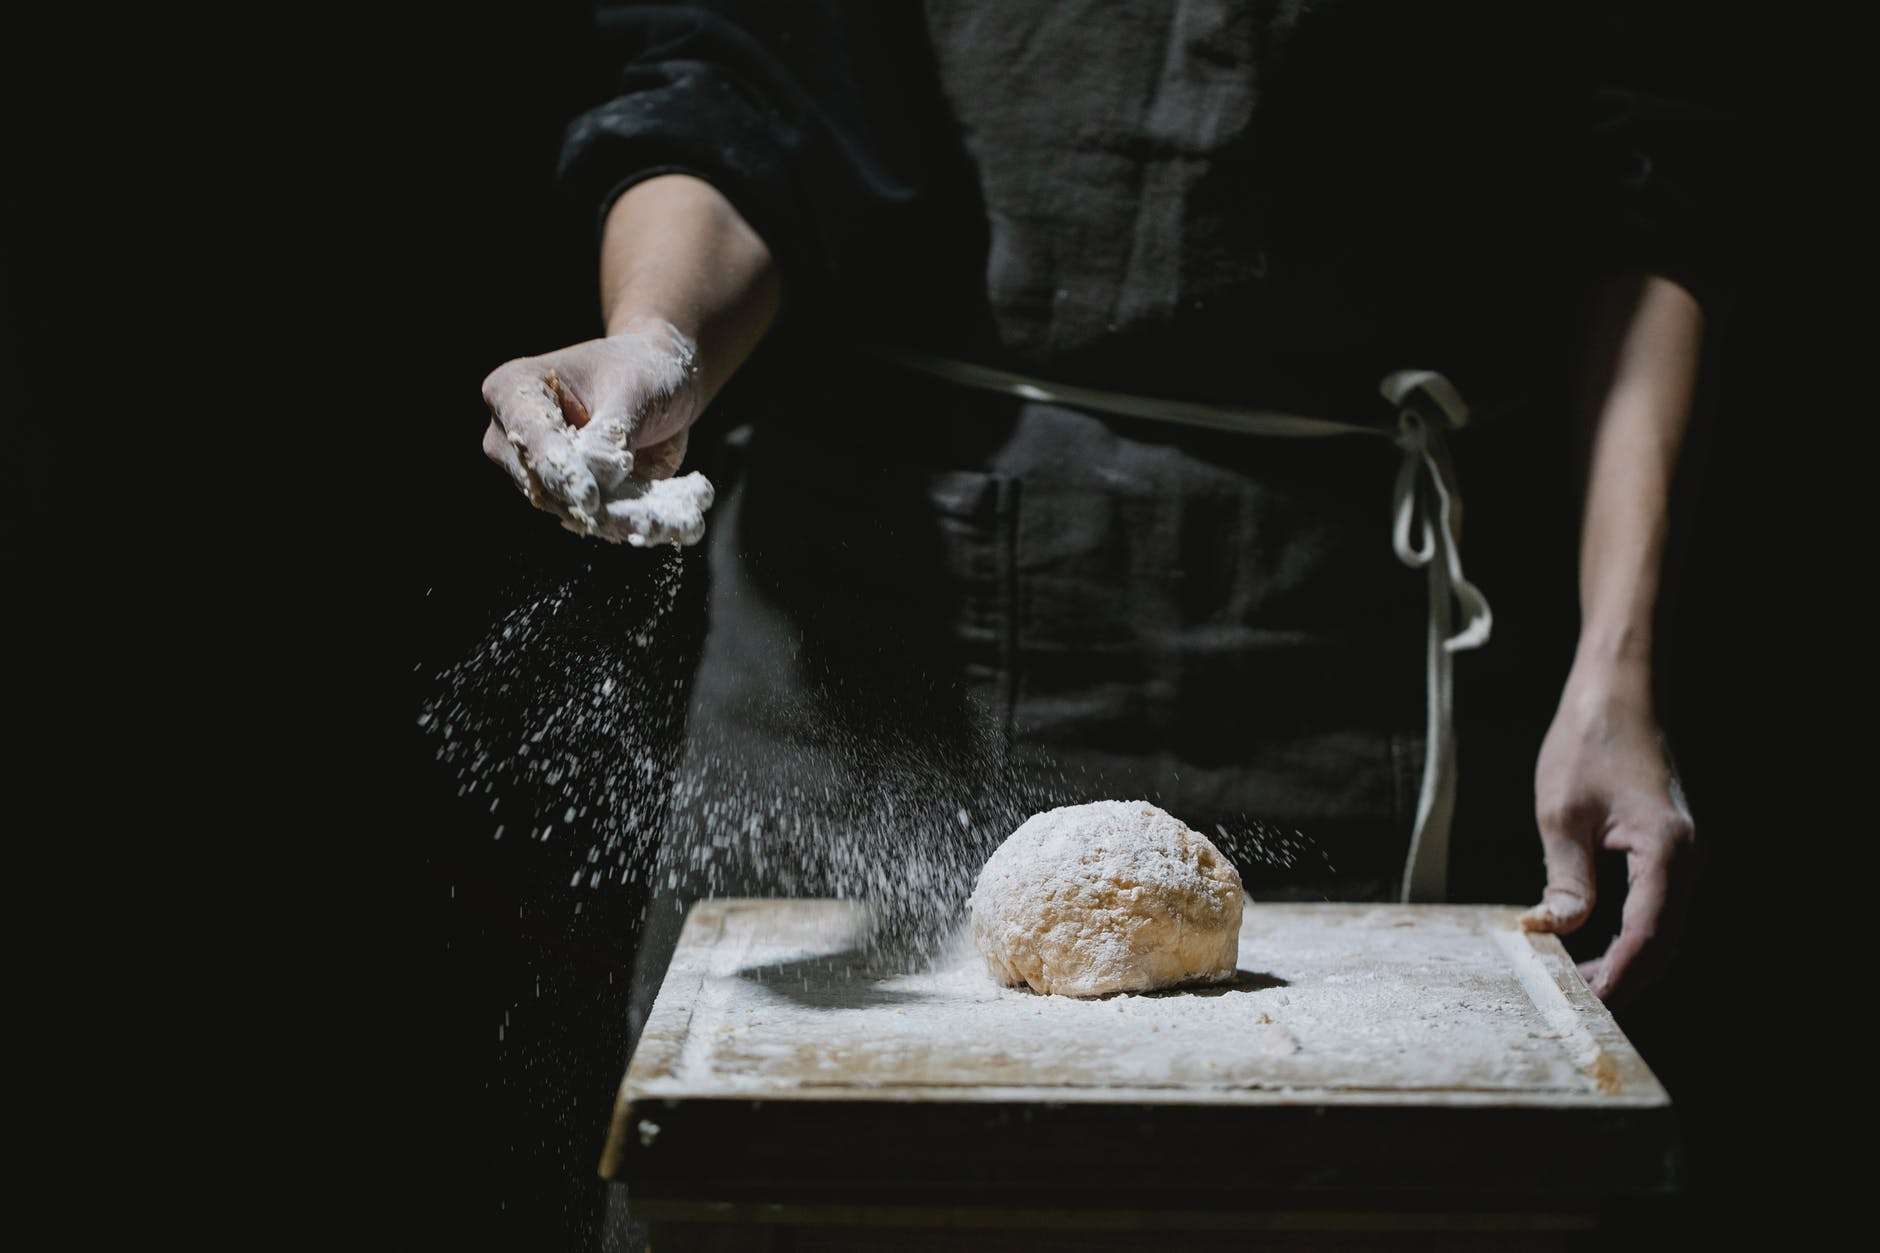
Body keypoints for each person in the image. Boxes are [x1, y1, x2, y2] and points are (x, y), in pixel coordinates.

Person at [477, 1, 1726, 1241]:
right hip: (871, 626)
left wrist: (1615, 663)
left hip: (1335, 642)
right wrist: (659, 338)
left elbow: (1644, 171)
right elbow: (730, 74)